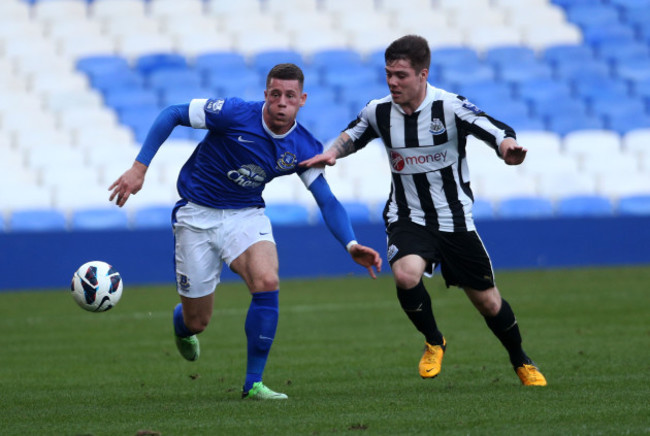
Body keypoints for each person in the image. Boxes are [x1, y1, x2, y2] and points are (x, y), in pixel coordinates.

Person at [109, 63, 382, 400]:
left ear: (302, 100)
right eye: (275, 94)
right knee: (198, 321)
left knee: (267, 281)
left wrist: (351, 243)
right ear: (266, 94)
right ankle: (182, 323)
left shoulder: (302, 146)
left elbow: (326, 200)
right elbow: (173, 113)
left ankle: (253, 383)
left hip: (246, 215)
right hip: (196, 214)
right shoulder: (234, 113)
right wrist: (139, 168)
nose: (282, 102)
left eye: (290, 96)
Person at [301, 35, 546, 386]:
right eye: (388, 73)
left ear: (423, 74)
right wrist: (332, 153)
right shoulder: (379, 110)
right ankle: (434, 340)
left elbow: (495, 130)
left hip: (454, 219)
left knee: (489, 303)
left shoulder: (450, 107)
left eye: (401, 75)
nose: (392, 81)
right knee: (405, 274)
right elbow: (352, 134)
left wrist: (508, 148)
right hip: (407, 215)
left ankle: (521, 360)